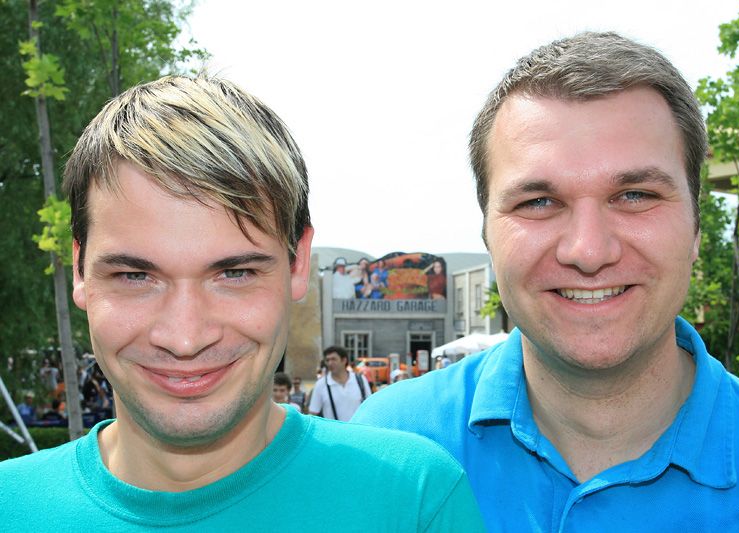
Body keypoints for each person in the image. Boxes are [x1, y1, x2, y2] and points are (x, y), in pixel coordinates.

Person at [353, 32, 739, 530]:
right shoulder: (386, 450)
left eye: (635, 195)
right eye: (539, 202)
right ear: (486, 235)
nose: (588, 251)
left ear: (696, 227)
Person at [0, 74, 484, 531]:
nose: (185, 338)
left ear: (298, 264)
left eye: (235, 274)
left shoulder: (411, 500)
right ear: (79, 269)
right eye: (135, 276)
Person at [309, 346, 370, 421]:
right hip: (333, 428)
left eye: (333, 359)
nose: (330, 363)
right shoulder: (321, 384)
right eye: (327, 360)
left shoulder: (360, 380)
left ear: (344, 360)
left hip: (358, 427)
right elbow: (313, 414)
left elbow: (370, 406)